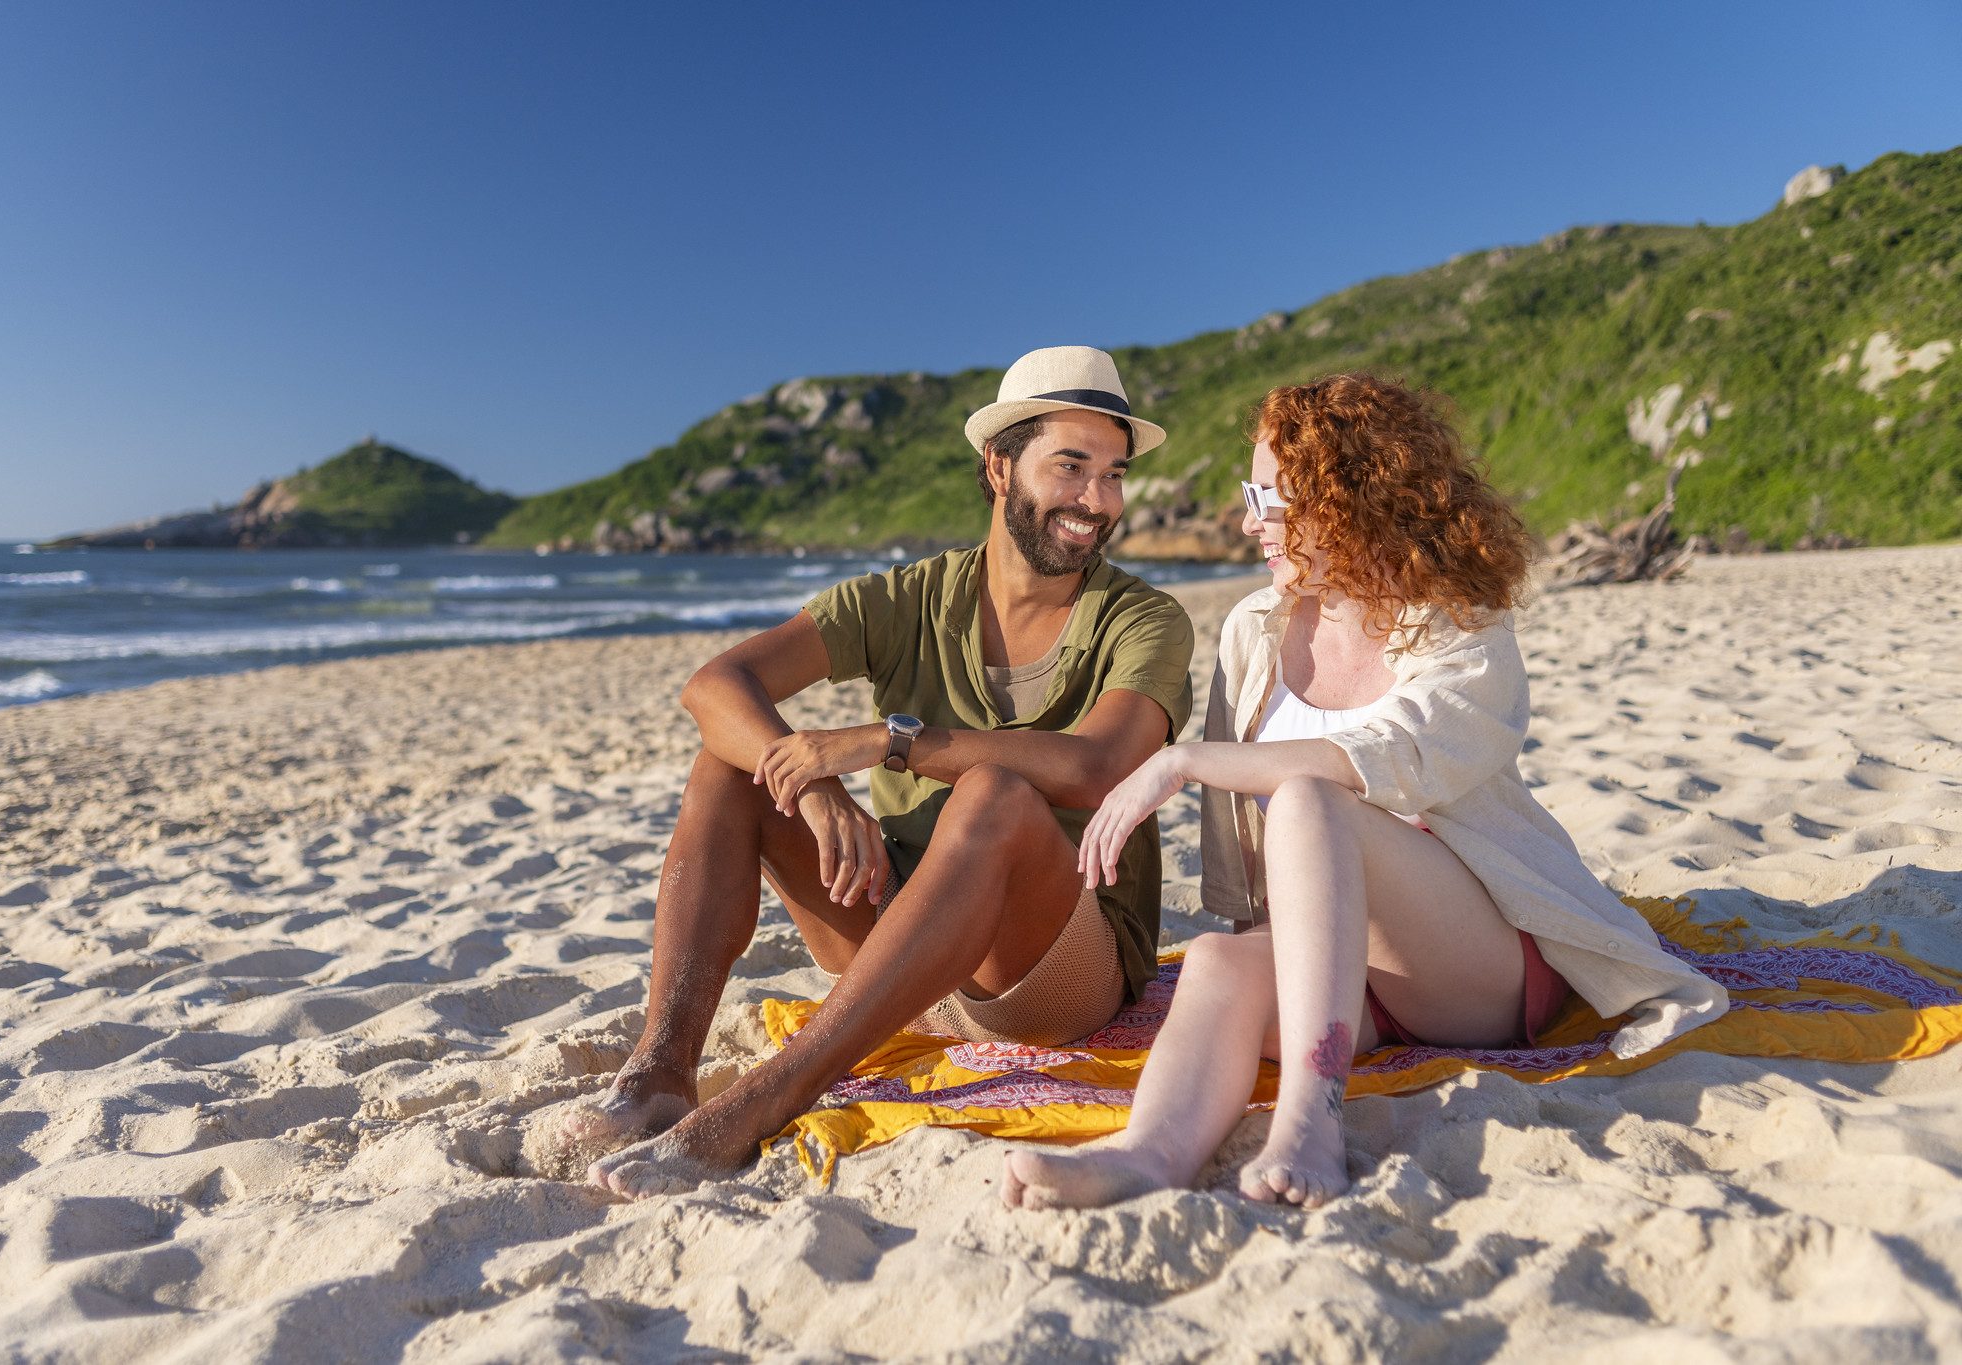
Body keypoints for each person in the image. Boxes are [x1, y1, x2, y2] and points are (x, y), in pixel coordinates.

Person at [1001, 373, 1728, 1212]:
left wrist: (1182, 760)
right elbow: (1248, 864)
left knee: (1312, 797)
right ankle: (1149, 1154)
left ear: (1346, 496)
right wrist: (1251, 955)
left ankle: (1311, 1119)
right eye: (1252, 494)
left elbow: (1392, 755)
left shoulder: (1456, 622)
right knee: (1214, 960)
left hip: (1476, 962)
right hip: (1349, 978)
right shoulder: (1255, 630)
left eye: (1269, 497)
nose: (1248, 522)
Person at [577, 346, 1196, 1198]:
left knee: (993, 796)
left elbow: (1093, 768)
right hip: (903, 952)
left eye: (1115, 474)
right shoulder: (912, 597)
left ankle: (770, 1096)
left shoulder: (1143, 619)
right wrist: (814, 781)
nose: (1098, 500)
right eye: (1072, 466)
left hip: (1055, 968)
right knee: (733, 768)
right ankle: (659, 1075)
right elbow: (716, 684)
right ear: (1000, 466)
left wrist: (885, 740)